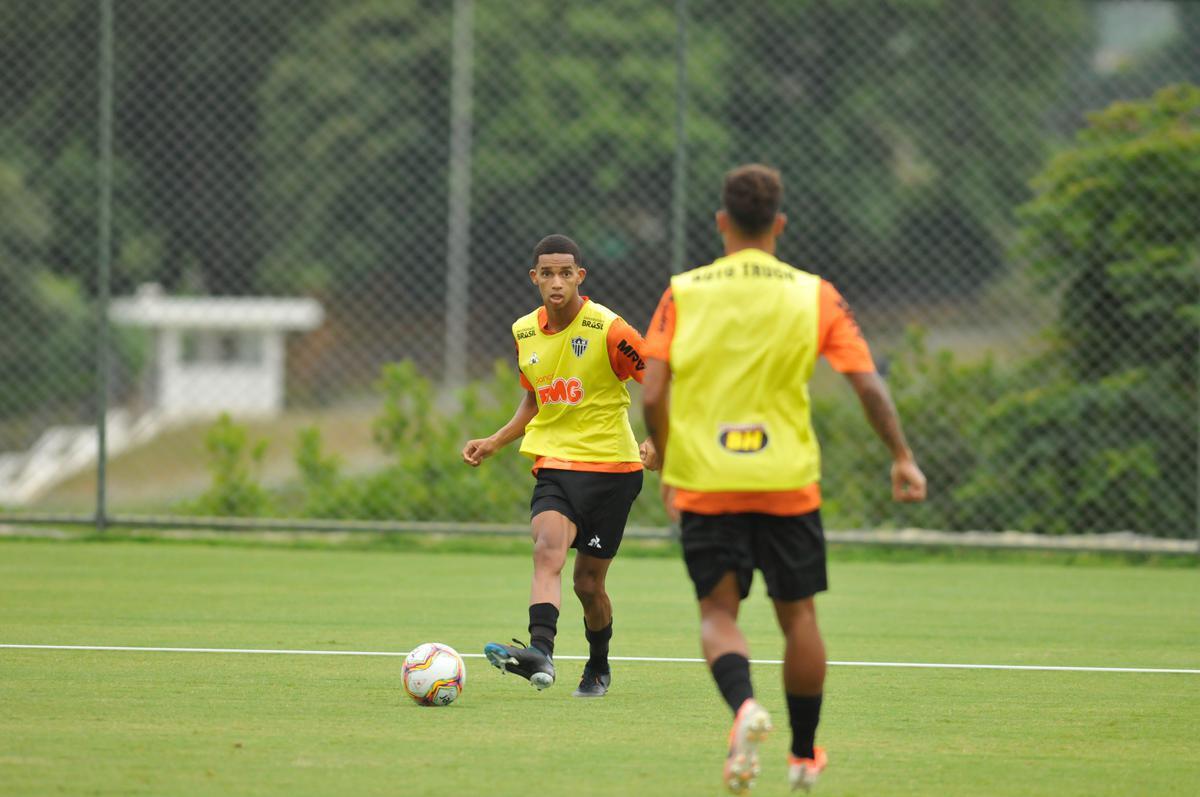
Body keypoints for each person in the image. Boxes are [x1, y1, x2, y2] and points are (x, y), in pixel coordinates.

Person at [641, 164, 927, 793]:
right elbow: (869, 386)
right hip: (786, 479)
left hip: (708, 480)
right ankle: (803, 757)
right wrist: (902, 455)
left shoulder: (682, 291)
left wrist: (667, 454)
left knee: (719, 612)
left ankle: (745, 709)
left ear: (721, 223)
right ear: (780, 224)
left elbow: (653, 390)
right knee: (799, 617)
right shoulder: (814, 293)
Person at [463, 233, 659, 698]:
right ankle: (540, 652)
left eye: (565, 273)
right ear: (534, 278)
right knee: (546, 549)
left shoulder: (610, 329)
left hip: (613, 470)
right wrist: (494, 441)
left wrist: (657, 437)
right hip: (555, 464)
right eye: (547, 273)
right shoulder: (523, 332)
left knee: (588, 585)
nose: (556, 282)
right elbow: (534, 399)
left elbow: (660, 381)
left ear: (579, 277)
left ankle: (598, 664)